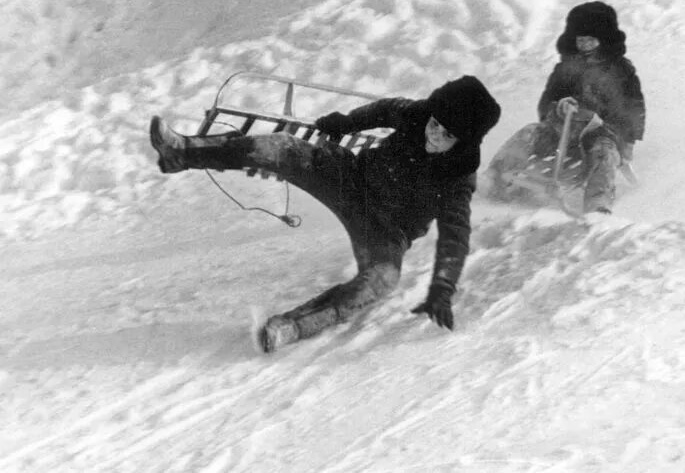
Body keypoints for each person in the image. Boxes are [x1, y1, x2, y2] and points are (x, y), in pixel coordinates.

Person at [148, 75, 501, 353]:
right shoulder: (416, 115)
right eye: (435, 124)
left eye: (446, 134)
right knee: (284, 147)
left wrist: (442, 287)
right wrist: (345, 123)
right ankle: (181, 153)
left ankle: (290, 327)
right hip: (350, 179)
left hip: (386, 229)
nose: (434, 134)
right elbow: (382, 110)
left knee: (381, 281)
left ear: (462, 143)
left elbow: (456, 235)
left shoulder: (458, 178)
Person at [531, 1, 646, 214]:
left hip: (603, 130)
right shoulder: (565, 68)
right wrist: (557, 107)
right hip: (565, 126)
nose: (584, 45)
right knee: (530, 133)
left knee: (604, 154)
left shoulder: (620, 70)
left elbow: (634, 105)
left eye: (590, 40)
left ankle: (598, 206)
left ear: (604, 41)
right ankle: (495, 178)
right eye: (580, 40)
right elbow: (548, 99)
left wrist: (629, 139)